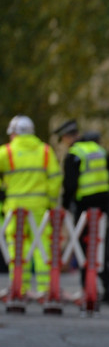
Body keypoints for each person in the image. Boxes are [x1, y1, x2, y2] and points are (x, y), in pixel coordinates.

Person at [55, 120, 109, 303]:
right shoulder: (97, 150)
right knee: (96, 245)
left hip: (85, 207)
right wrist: (106, 185)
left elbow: (70, 185)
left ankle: (90, 288)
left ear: (67, 137)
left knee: (84, 247)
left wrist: (64, 205)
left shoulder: (74, 154)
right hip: (102, 204)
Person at [0, 116, 62, 297]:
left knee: (17, 246)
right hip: (39, 207)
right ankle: (45, 288)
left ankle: (20, 287)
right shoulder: (45, 151)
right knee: (43, 245)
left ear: (13, 133)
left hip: (14, 208)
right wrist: (51, 202)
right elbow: (55, 179)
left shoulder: (7, 152)